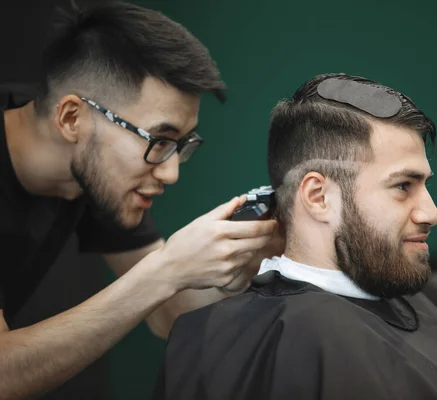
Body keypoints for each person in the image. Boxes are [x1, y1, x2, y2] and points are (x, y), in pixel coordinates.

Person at [154, 73, 437, 400]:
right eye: (404, 185)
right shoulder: (300, 337)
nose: (432, 213)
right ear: (318, 197)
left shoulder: (391, 299)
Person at [0, 2, 283, 399]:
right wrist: (166, 270)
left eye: (180, 145)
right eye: (158, 141)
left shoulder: (91, 174)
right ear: (71, 119)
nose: (170, 173)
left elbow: (172, 314)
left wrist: (241, 261)